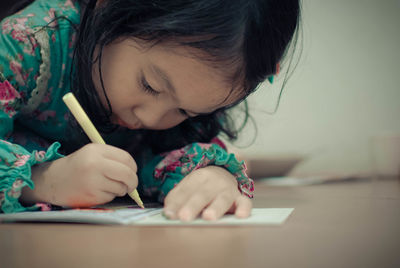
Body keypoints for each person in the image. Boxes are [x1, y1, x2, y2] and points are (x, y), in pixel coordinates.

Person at [0, 0, 300, 221]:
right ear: (110, 8)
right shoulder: (28, 42)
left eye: (185, 111)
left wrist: (211, 176)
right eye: (151, 86)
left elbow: (159, 159)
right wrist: (43, 181)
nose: (150, 119)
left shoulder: (191, 89)